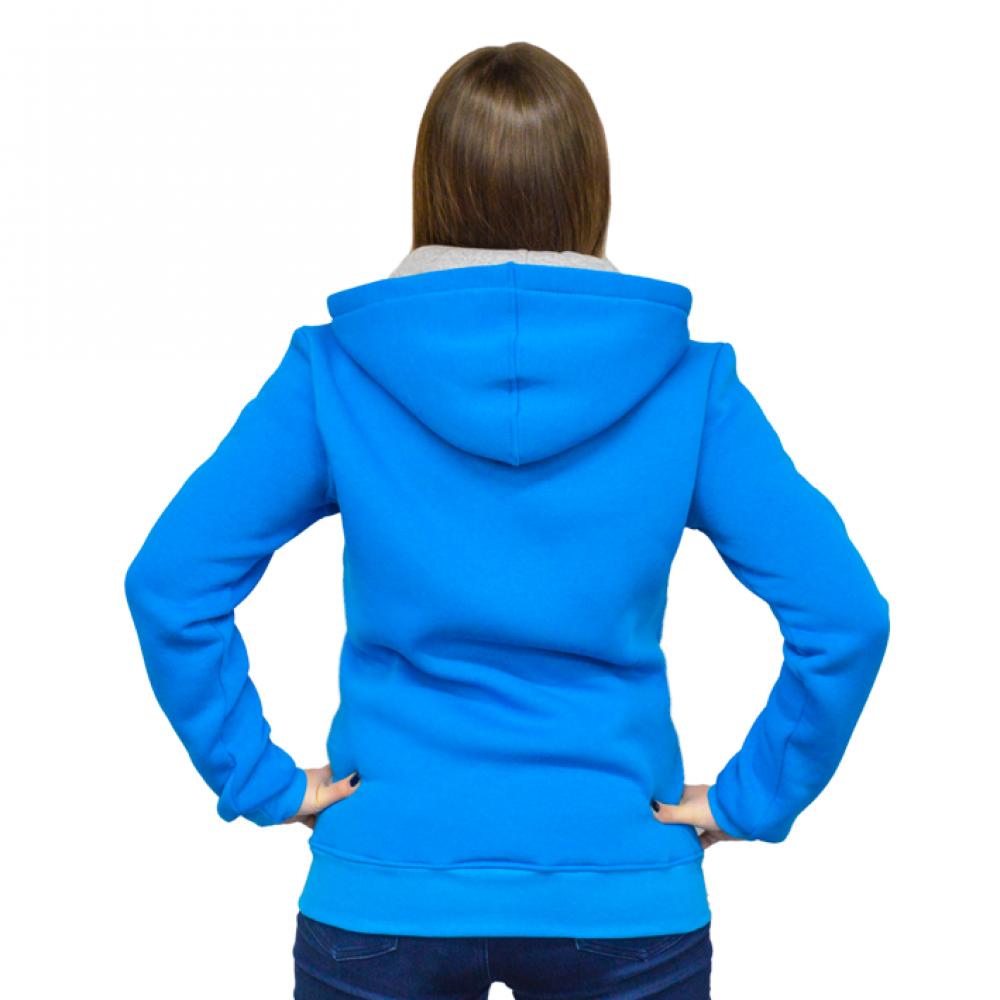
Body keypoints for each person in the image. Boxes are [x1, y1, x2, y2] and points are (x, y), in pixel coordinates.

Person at [124, 41, 891, 1000]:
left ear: (430, 186)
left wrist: (260, 779)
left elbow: (172, 583)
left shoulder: (336, 372)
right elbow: (844, 616)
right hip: (621, 889)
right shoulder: (689, 385)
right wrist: (753, 799)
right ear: (589, 190)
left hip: (386, 885)